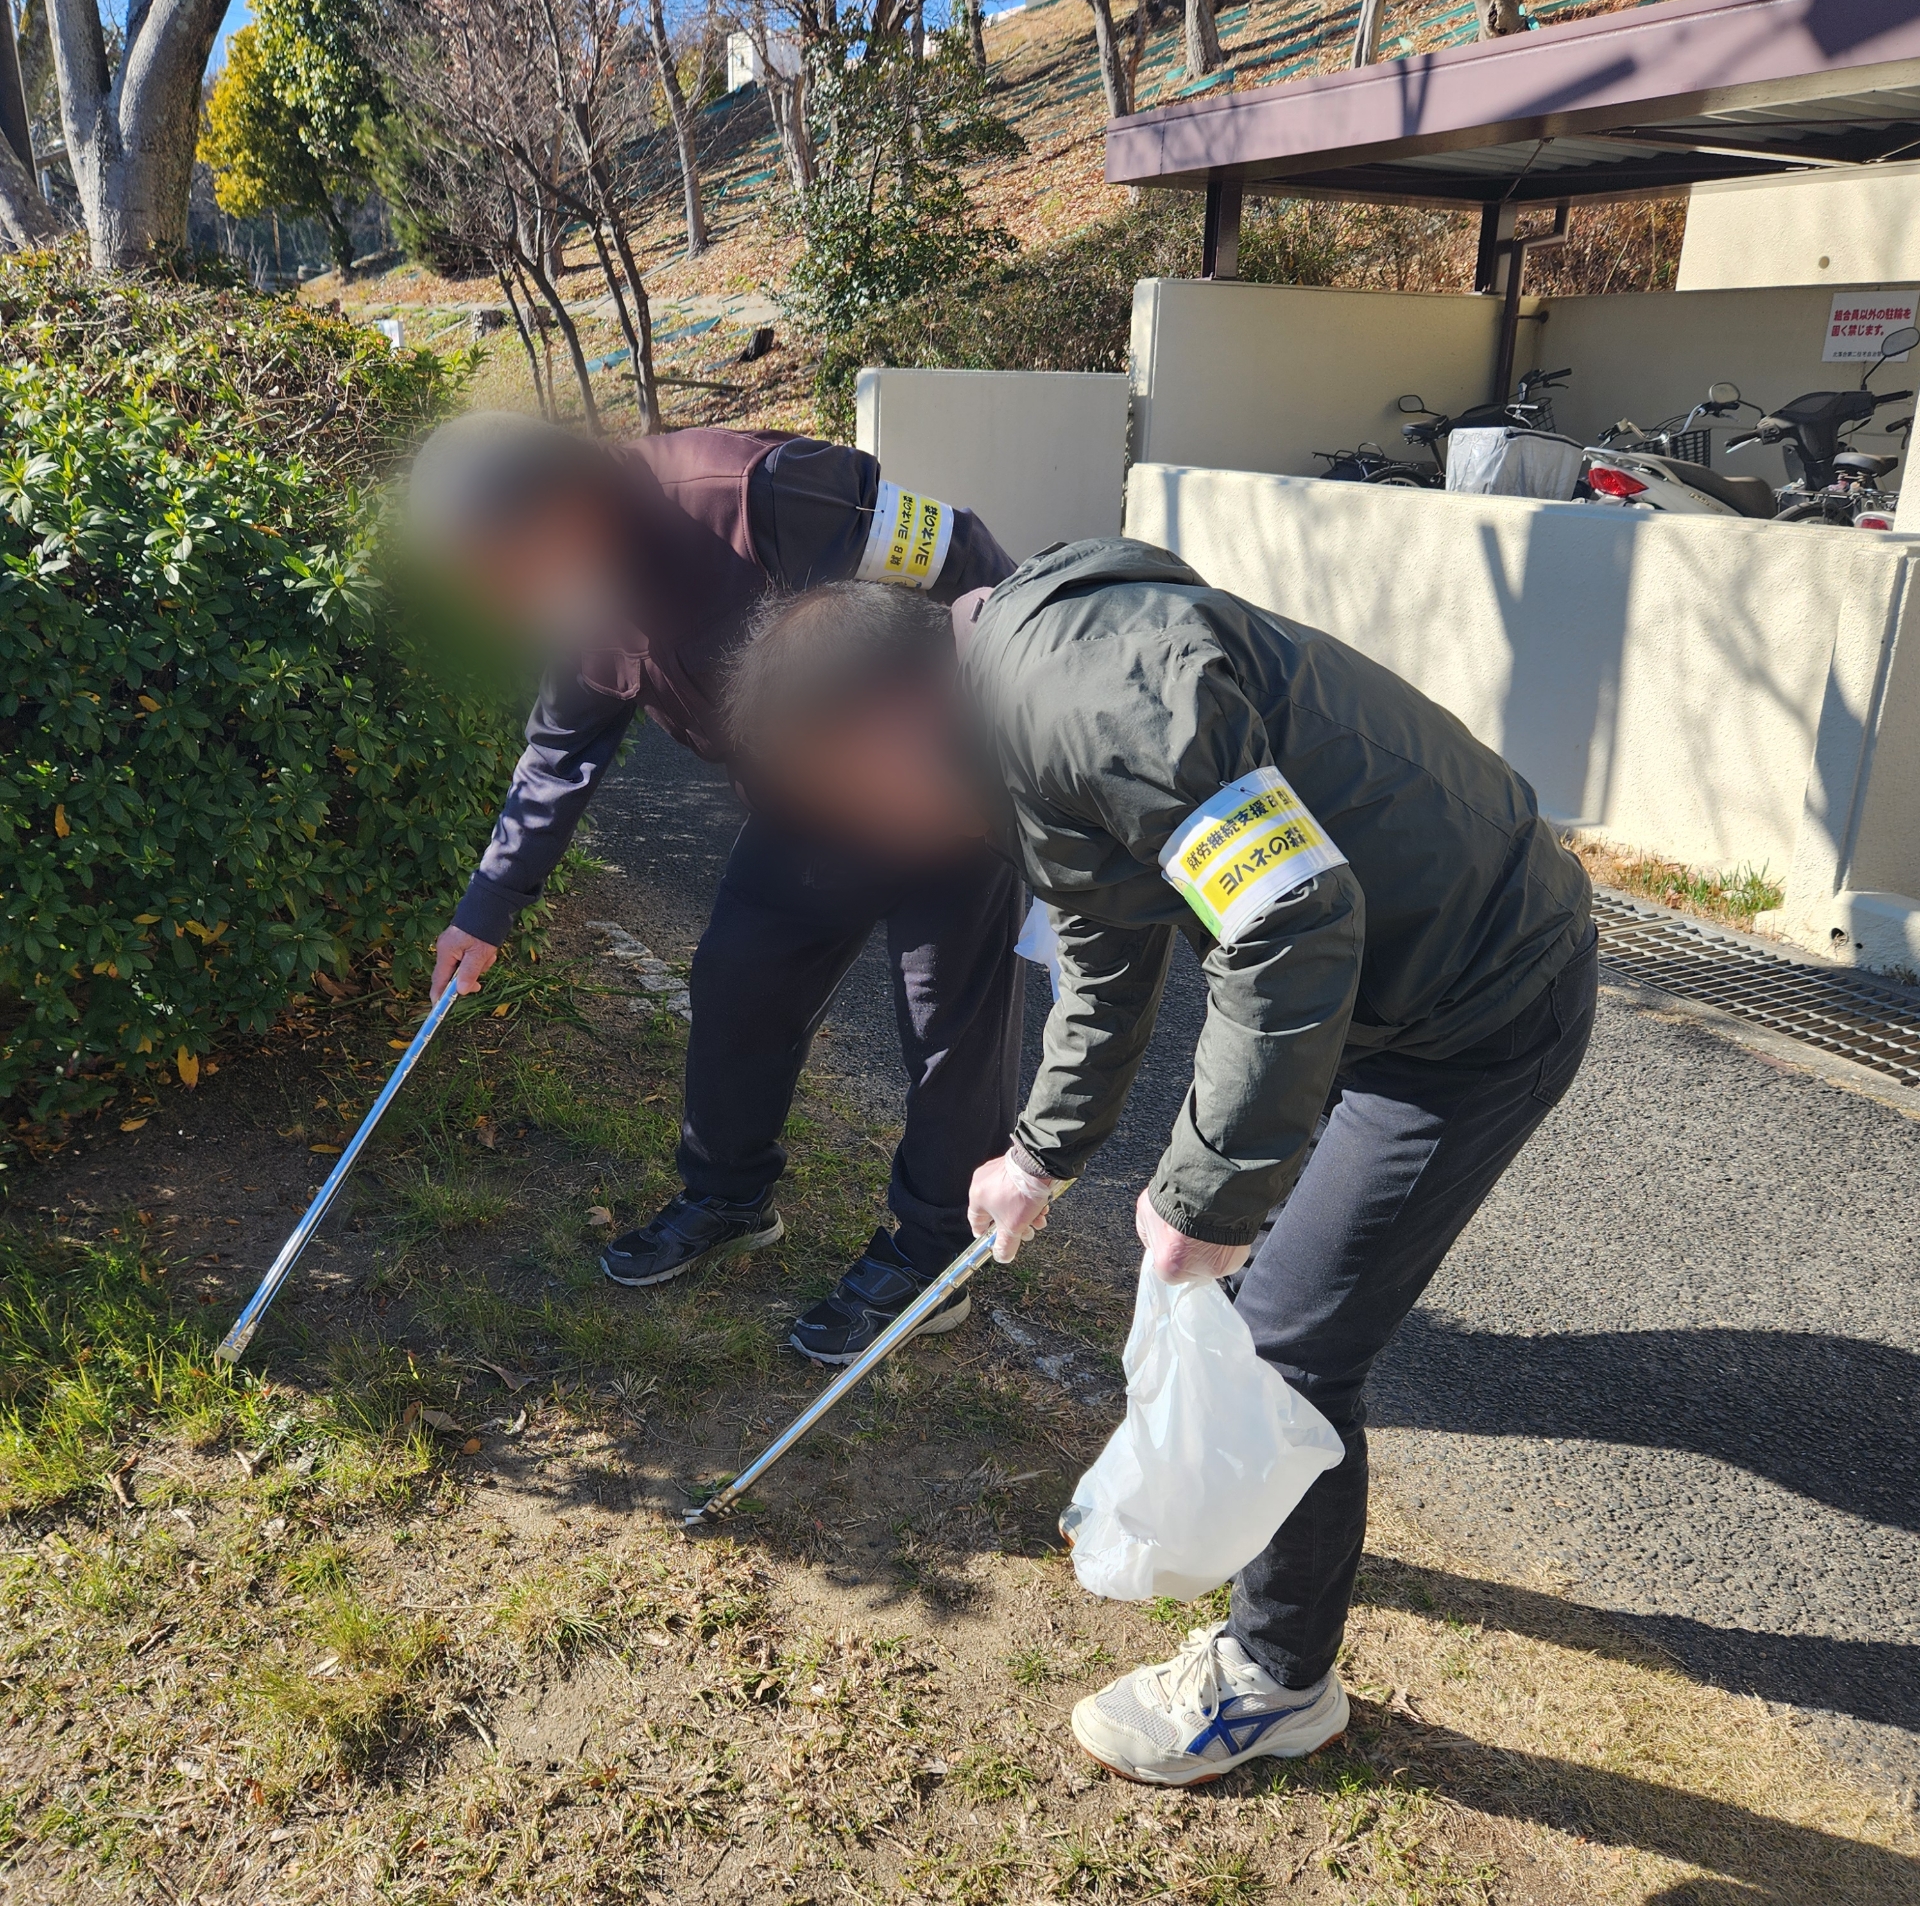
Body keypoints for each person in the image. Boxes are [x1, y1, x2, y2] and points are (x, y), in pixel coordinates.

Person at [722, 538, 1596, 1785]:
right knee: (1270, 1327)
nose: (870, 834)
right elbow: (1103, 939)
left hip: (1475, 1002)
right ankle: (1282, 1622)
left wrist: (1207, 1195)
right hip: (1378, 986)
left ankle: (1276, 1684)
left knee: (1284, 1348)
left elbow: (1288, 923)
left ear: (888, 718)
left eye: (851, 795)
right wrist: (1040, 1154)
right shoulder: (1008, 720)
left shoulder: (1091, 698)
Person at [407, 413, 1025, 1365]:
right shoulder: (582, 587)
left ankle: (934, 1254)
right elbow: (563, 747)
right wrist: (486, 908)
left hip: (941, 799)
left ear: (562, 508)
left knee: (948, 1026)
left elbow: (977, 567)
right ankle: (728, 1197)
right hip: (805, 810)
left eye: (500, 566)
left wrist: (988, 766)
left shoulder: (762, 494)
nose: (500, 597)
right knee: (738, 980)